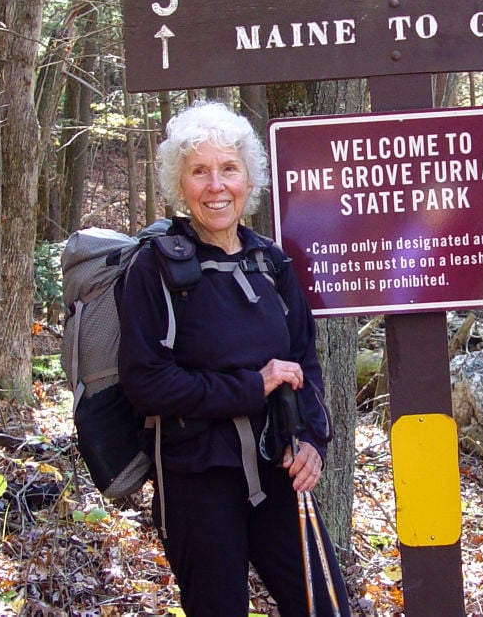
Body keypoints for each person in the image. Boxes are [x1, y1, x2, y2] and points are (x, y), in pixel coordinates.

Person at [118, 101, 351, 616]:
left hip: (277, 465)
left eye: (228, 169)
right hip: (196, 476)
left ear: (250, 178)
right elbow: (146, 382)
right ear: (180, 186)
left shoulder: (270, 260)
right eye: (199, 172)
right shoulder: (153, 269)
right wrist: (253, 385)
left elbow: (303, 361)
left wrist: (313, 439)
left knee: (325, 605)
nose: (216, 185)